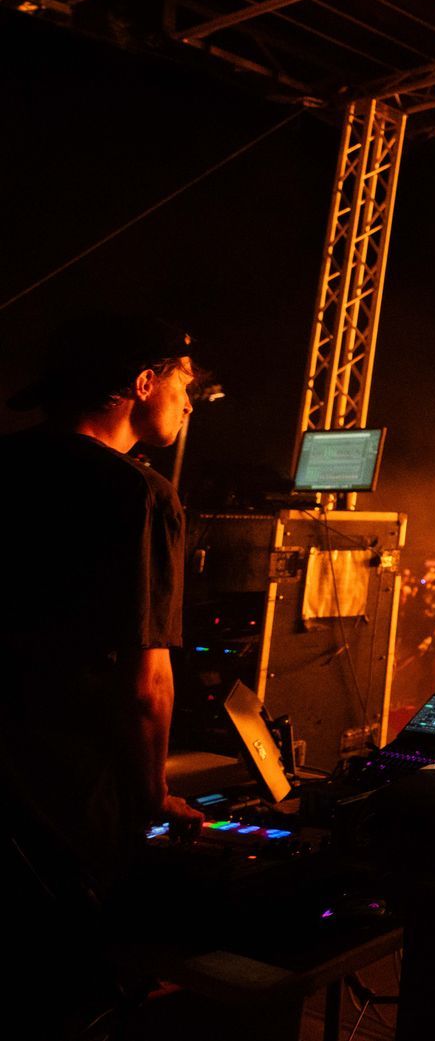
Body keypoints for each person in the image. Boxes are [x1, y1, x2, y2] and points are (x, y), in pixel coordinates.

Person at [0, 315, 205, 1035]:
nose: (189, 398)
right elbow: (146, 681)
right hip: (69, 793)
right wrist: (153, 796)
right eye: (183, 380)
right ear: (142, 382)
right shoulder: (138, 494)